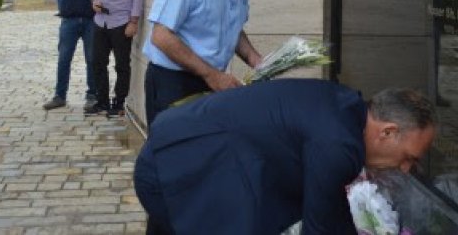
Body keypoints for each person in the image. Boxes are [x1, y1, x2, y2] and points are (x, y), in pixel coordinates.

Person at [134, 79, 437, 235]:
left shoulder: (346, 109)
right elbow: (318, 228)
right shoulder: (339, 145)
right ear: (387, 132)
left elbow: (331, 209)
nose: (406, 170)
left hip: (179, 158)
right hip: (175, 175)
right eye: (408, 157)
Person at [43, 0, 105, 111]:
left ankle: (92, 96)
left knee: (92, 60)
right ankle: (59, 96)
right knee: (63, 59)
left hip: (92, 20)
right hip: (69, 20)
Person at [89, 0, 145, 116]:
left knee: (122, 65)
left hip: (121, 23)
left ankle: (119, 103)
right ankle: (102, 102)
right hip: (100, 22)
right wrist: (95, 0)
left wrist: (134, 22)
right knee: (98, 63)